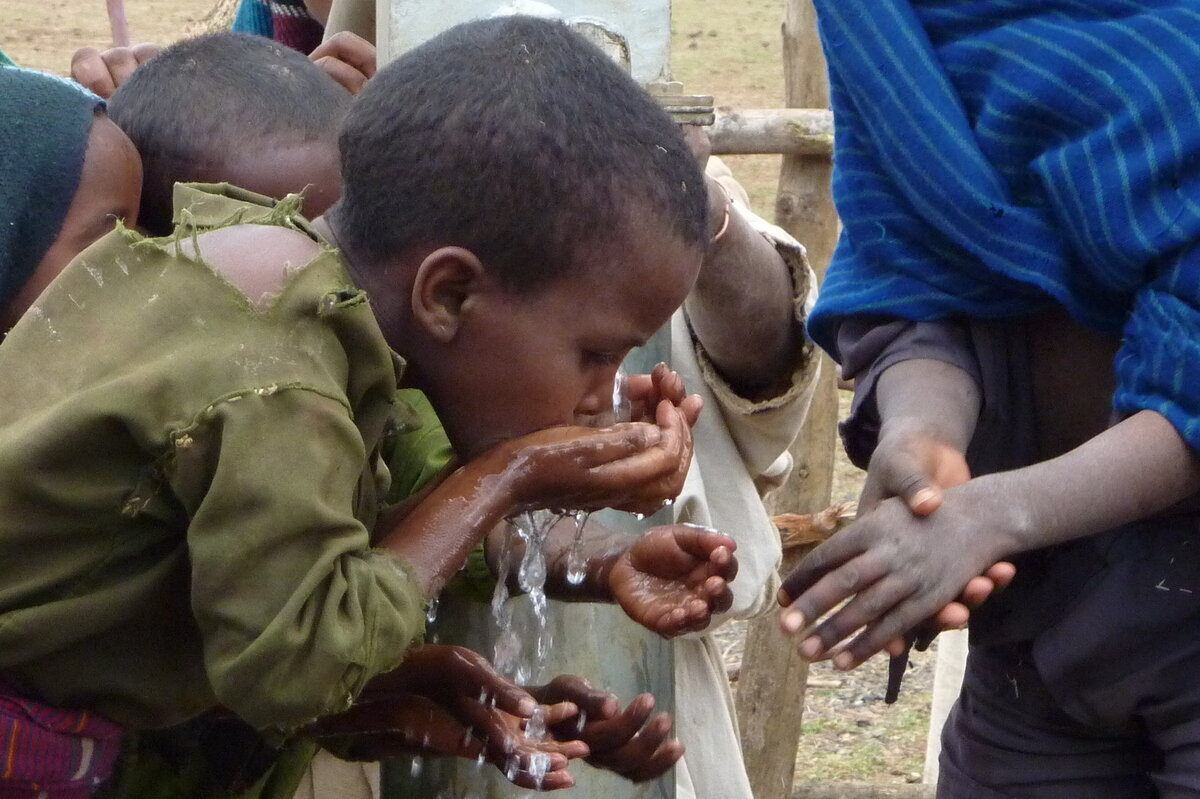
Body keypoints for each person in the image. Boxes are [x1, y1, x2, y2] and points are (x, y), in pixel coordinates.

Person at [0, 15, 712, 797]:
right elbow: (297, 667)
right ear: (448, 293)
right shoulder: (279, 371)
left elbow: (279, 565)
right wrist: (510, 476)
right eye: (597, 354)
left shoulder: (272, 283)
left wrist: (401, 688)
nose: (606, 393)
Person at [778, 2, 1200, 797]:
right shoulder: (888, 20)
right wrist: (924, 437)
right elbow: (912, 266)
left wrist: (995, 515)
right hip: (1035, 640)